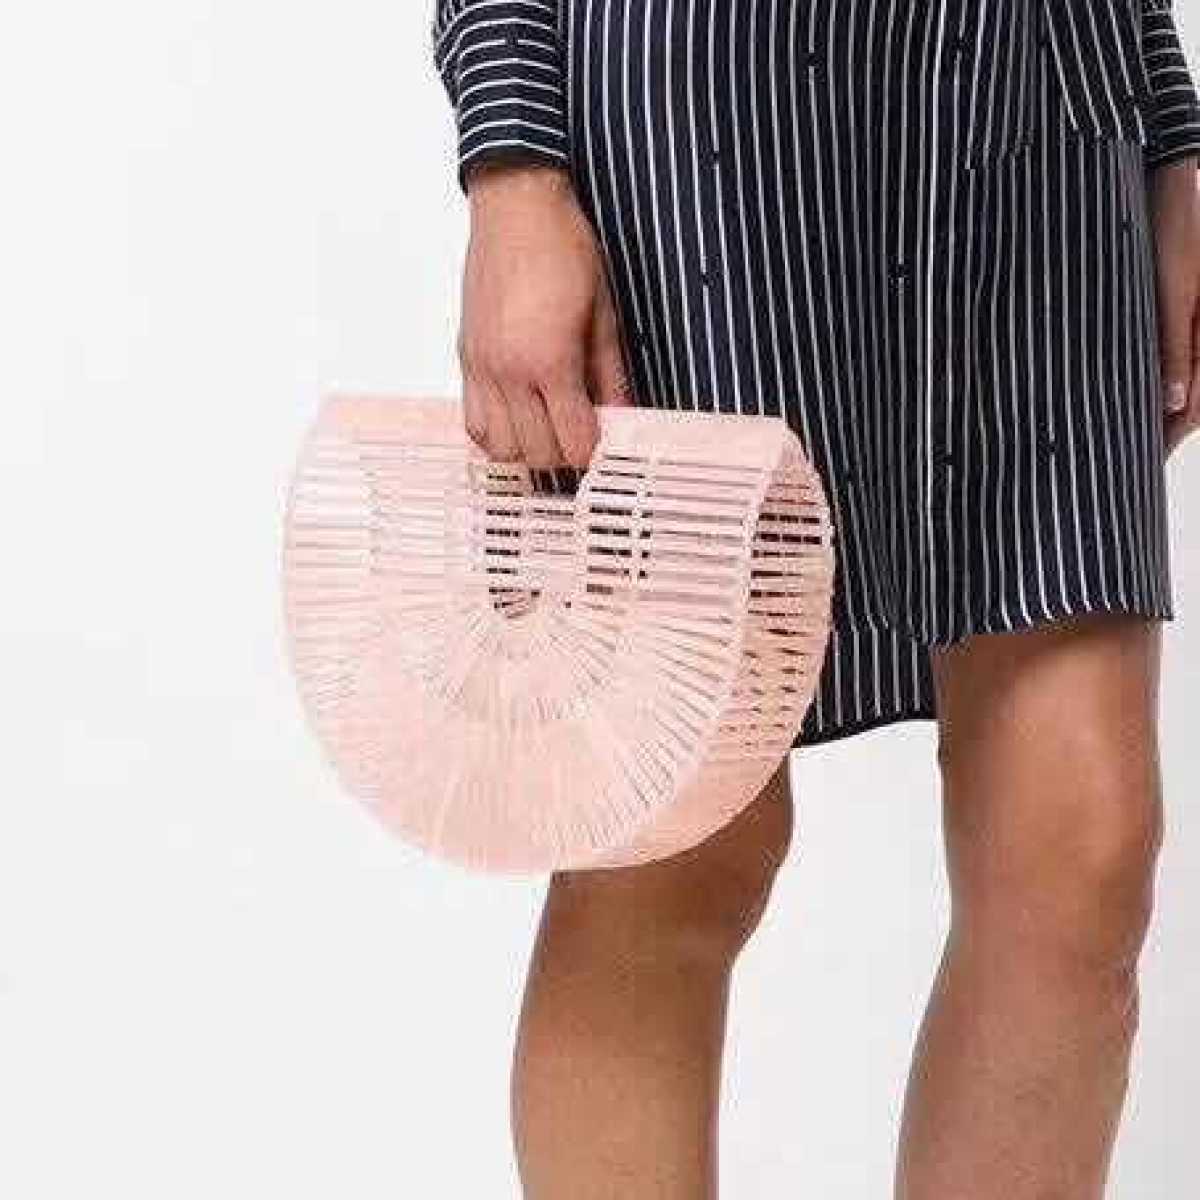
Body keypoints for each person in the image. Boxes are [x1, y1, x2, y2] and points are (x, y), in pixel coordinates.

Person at [429, 1, 1200, 1195]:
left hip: (1036, 119)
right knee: (679, 843)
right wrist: (514, 167)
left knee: (1077, 854)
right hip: (694, 141)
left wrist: (1173, 133)